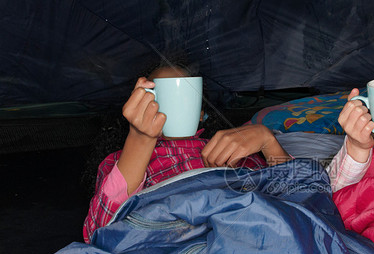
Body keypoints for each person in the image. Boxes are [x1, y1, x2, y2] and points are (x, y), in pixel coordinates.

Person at [83, 64, 292, 243]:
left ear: (201, 113)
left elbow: (299, 199)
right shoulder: (124, 159)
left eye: (186, 95)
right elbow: (100, 232)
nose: (175, 104)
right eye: (160, 96)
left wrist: (268, 142)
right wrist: (140, 140)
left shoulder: (235, 146)